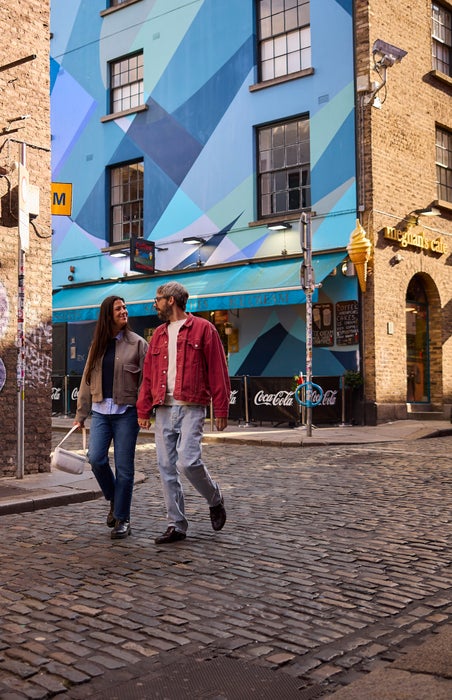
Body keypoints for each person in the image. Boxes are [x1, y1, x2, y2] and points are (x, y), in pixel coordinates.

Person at [137, 281, 230, 544]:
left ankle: (214, 498)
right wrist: (144, 407)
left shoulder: (203, 329)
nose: (154, 304)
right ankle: (176, 524)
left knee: (188, 462)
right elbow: (149, 374)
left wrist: (221, 408)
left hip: (192, 405)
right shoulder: (158, 334)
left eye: (157, 299)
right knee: (166, 467)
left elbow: (218, 370)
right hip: (164, 408)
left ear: (171, 300)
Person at [74, 296, 148, 540]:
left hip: (126, 413)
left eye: (125, 307)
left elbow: (145, 382)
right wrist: (80, 414)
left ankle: (122, 518)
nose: (124, 311)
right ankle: (115, 499)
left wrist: (144, 410)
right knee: (96, 459)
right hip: (100, 413)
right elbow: (87, 380)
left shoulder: (138, 344)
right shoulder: (98, 344)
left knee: (125, 469)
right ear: (108, 314)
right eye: (119, 308)